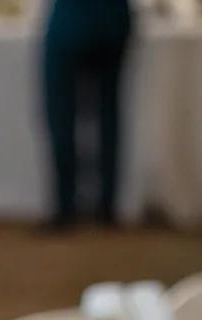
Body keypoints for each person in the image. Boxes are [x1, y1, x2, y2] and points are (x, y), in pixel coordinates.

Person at [41, 0, 133, 229]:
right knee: (109, 115)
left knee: (60, 114)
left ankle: (65, 206)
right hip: (114, 19)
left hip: (71, 18)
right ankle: (107, 206)